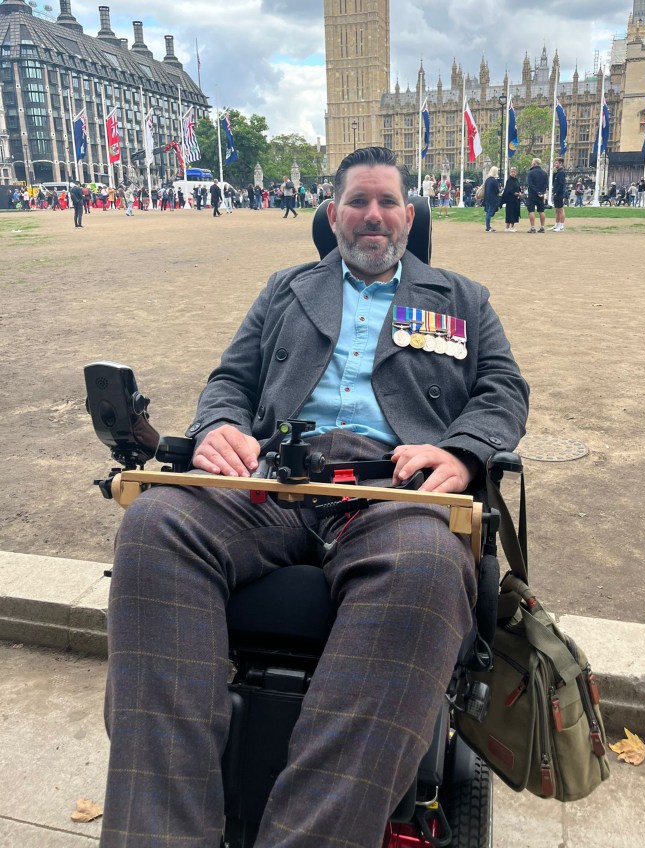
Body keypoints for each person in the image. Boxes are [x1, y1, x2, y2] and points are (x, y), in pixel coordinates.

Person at [99, 145, 529, 848]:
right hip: (273, 479)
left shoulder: (462, 298)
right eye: (357, 202)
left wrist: (460, 450)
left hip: (393, 492)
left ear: (409, 216)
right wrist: (220, 427)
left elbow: (504, 392)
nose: (373, 216)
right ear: (332, 216)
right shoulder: (285, 290)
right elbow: (230, 380)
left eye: (388, 202)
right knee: (153, 526)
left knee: (426, 569)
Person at [526, 157, 548, 232]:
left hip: (532, 194)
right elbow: (546, 184)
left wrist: (536, 192)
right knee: (541, 211)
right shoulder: (544, 173)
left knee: (531, 211)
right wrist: (541, 192)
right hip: (541, 195)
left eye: (532, 162)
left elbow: (530, 185)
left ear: (534, 164)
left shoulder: (530, 173)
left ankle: (533, 227)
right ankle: (542, 227)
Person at [501, 165, 521, 231]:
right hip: (510, 200)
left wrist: (520, 192)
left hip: (516, 200)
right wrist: (514, 193)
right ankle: (507, 227)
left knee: (515, 213)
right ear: (510, 173)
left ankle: (512, 227)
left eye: (514, 172)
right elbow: (508, 190)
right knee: (510, 213)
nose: (513, 173)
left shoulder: (516, 180)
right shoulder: (509, 180)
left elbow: (519, 188)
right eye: (512, 172)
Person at [551, 157, 567, 231]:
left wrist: (557, 192)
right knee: (557, 210)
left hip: (559, 193)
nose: (555, 164)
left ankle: (561, 226)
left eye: (556, 163)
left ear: (560, 163)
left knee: (560, 209)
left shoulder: (561, 173)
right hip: (556, 193)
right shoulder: (557, 172)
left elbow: (561, 184)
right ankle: (556, 224)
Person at [482, 165, 500, 231]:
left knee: (488, 212)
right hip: (492, 199)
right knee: (489, 213)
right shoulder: (494, 181)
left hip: (487, 198)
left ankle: (488, 226)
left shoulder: (487, 180)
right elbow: (497, 191)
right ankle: (488, 227)